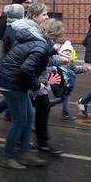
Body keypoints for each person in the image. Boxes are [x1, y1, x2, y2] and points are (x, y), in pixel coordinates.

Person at [0, 3, 51, 170]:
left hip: (16, 80)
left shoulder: (33, 33)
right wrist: (38, 86)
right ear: (34, 17)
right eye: (45, 14)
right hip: (11, 82)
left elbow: (36, 57)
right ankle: (7, 156)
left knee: (30, 114)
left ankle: (25, 152)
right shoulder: (29, 33)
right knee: (19, 120)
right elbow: (27, 67)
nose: (47, 17)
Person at [30, 18, 65, 156]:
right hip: (34, 81)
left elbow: (46, 58)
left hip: (38, 80)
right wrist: (58, 59)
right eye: (57, 35)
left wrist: (58, 58)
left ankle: (42, 143)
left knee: (41, 109)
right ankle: (36, 143)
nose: (57, 38)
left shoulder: (46, 41)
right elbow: (40, 60)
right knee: (28, 113)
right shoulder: (42, 42)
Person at [0, 4, 25, 124]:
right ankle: (17, 122)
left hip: (12, 66)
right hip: (14, 67)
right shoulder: (14, 29)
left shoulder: (12, 27)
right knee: (18, 97)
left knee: (16, 96)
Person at [49, 41, 90, 121]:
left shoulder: (70, 63)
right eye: (65, 51)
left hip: (67, 85)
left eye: (69, 51)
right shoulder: (58, 61)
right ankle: (65, 114)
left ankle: (51, 103)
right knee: (65, 99)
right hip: (62, 85)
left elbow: (76, 70)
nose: (67, 53)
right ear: (61, 52)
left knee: (64, 98)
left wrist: (84, 69)